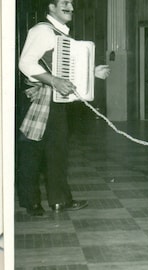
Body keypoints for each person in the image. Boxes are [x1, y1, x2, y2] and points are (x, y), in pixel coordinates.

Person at [17, 0, 110, 216]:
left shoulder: (62, 34)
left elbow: (68, 71)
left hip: (58, 100)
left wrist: (93, 72)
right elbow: (25, 63)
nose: (71, 7)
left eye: (71, 3)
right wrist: (53, 81)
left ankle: (59, 200)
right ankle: (31, 202)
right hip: (40, 100)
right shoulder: (42, 30)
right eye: (64, 3)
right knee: (33, 151)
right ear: (51, 7)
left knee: (57, 151)